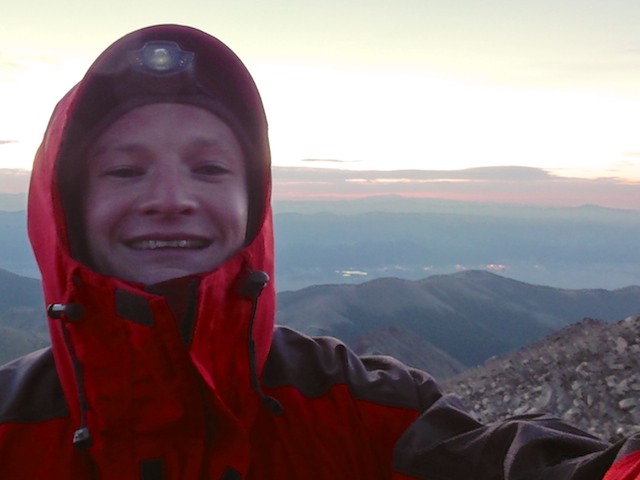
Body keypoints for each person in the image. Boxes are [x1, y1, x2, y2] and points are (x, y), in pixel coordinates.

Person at [0, 23, 636, 479]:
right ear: (67, 207)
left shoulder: (359, 405)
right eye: (124, 171)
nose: (172, 198)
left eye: (210, 169)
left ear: (255, 205)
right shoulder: (12, 421)